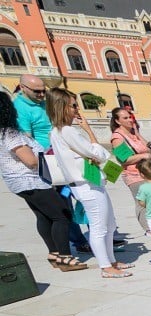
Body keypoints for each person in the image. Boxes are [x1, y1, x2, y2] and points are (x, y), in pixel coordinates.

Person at [48, 87, 132, 279]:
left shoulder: (58, 132)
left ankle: (111, 261)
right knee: (99, 227)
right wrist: (89, 132)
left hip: (90, 184)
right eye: (74, 105)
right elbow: (98, 153)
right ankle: (105, 266)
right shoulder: (66, 131)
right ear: (63, 107)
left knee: (109, 225)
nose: (77, 109)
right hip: (86, 185)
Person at [0, 92, 86, 272]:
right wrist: (52, 159)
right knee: (61, 215)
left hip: (19, 182)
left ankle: (54, 253)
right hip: (32, 181)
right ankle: (65, 257)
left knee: (43, 216)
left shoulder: (3, 133)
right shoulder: (11, 134)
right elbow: (30, 161)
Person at [15, 73, 91, 253]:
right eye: (37, 92)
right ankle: (78, 241)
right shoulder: (20, 108)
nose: (42, 95)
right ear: (23, 87)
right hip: (49, 163)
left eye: (44, 91)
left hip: (64, 155)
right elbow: (27, 138)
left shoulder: (44, 102)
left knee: (83, 197)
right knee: (63, 207)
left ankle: (98, 234)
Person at [110, 106, 151, 233]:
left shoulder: (133, 133)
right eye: (125, 118)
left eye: (130, 117)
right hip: (133, 174)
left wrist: (138, 134)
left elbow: (149, 148)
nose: (130, 120)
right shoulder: (117, 137)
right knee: (141, 201)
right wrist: (143, 156)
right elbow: (124, 159)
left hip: (147, 172)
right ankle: (148, 229)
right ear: (118, 121)